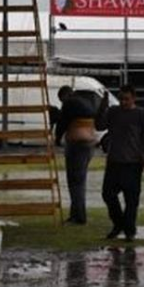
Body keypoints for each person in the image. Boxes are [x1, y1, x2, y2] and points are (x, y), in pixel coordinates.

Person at [96, 85, 144, 242]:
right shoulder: (114, 112)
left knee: (131, 200)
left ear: (133, 98)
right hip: (114, 161)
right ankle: (118, 224)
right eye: (121, 98)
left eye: (127, 99)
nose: (123, 102)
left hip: (133, 163)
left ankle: (129, 231)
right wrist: (103, 105)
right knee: (108, 194)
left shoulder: (141, 115)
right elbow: (99, 125)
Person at [55, 86, 98, 225]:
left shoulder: (69, 103)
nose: (62, 103)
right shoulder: (86, 101)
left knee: (74, 182)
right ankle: (79, 214)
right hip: (90, 143)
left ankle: (78, 217)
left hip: (77, 144)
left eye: (61, 100)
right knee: (80, 181)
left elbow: (62, 122)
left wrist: (57, 138)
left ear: (64, 96)